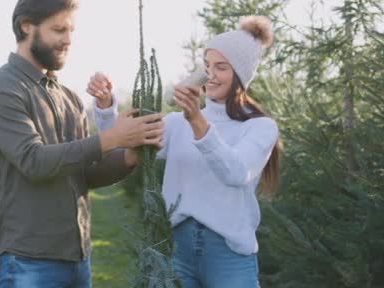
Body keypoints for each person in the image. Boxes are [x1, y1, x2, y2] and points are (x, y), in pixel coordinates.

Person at [0, 0, 163, 287]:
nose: (68, 40)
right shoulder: (1, 89)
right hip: (24, 262)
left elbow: (84, 172)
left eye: (72, 30)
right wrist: (112, 137)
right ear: (26, 26)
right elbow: (34, 161)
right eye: (59, 30)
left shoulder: (69, 97)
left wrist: (128, 151)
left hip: (77, 260)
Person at [90, 15, 281, 288]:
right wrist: (106, 105)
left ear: (240, 75)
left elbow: (236, 172)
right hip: (178, 248)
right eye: (207, 66)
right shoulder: (177, 123)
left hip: (228, 255)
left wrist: (197, 121)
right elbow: (125, 142)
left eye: (222, 67)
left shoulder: (260, 127)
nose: (210, 75)